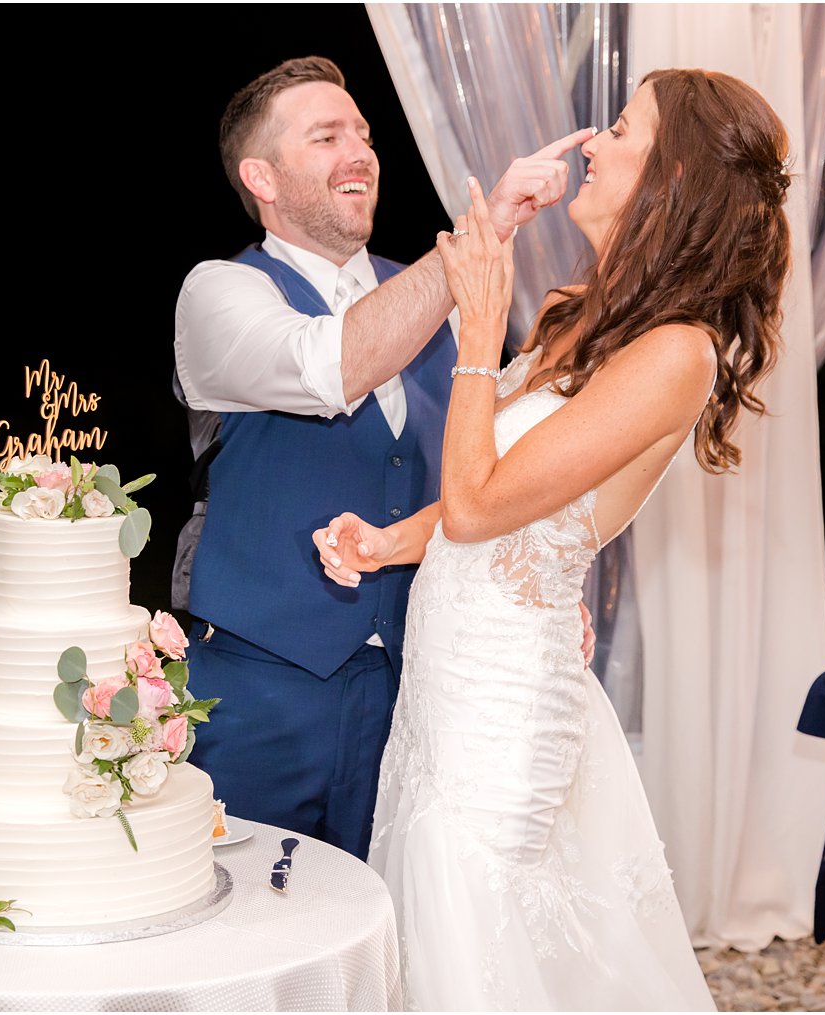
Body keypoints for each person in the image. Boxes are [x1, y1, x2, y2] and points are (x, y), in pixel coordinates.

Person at [313, 68, 791, 1009]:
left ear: (672, 180)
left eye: (620, 129)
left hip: (504, 709)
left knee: (476, 927)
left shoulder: (678, 353)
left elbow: (480, 503)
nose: (589, 144)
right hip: (445, 690)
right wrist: (386, 541)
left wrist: (482, 337)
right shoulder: (585, 317)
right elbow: (490, 504)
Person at [174, 56, 588, 860]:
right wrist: (488, 226)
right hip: (260, 687)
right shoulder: (221, 294)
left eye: (362, 133)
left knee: (396, 928)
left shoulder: (441, 291)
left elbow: (500, 467)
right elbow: (334, 364)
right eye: (326, 136)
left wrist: (540, 577)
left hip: (421, 685)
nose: (359, 151)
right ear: (260, 175)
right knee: (243, 932)